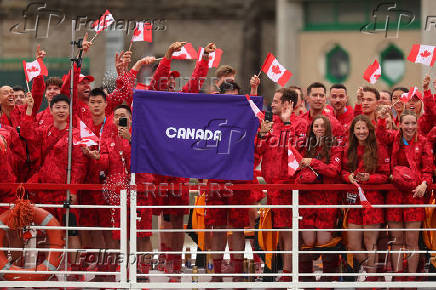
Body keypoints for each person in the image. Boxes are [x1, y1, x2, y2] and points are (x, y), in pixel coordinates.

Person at [22, 94, 87, 276]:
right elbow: (27, 134)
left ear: (69, 111)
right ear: (50, 110)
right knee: (45, 234)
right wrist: (29, 109)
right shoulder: (43, 131)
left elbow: (79, 165)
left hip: (65, 192)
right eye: (57, 107)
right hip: (44, 192)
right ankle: (45, 273)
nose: (60, 110)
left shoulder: (76, 134)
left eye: (64, 107)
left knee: (71, 233)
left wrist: (72, 190)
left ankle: (75, 273)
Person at [93, 104, 154, 281]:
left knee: (143, 235)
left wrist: (131, 139)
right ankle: (125, 271)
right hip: (117, 194)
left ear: (130, 119)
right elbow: (105, 165)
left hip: (139, 190)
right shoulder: (107, 138)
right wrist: (98, 158)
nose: (119, 118)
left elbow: (146, 158)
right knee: (121, 235)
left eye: (123, 115)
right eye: (116, 115)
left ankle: (143, 272)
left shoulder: (141, 135)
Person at [377, 109, 433, 283]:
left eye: (413, 123)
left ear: (417, 124)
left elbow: (428, 169)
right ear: (400, 124)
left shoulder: (423, 141)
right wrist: (381, 118)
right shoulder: (393, 138)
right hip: (394, 194)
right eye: (406, 123)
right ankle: (398, 276)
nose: (410, 127)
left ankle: (410, 278)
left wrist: (425, 184)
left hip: (415, 195)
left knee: (411, 241)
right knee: (396, 240)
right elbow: (379, 134)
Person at [257, 88, 307, 280]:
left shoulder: (300, 123)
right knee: (278, 231)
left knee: (289, 232)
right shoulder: (270, 124)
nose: (273, 104)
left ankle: (289, 274)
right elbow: (260, 150)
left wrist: (287, 122)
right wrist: (262, 135)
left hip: (289, 187)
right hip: (273, 188)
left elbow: (294, 149)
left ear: (288, 104)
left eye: (277, 101)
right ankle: (280, 270)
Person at [341, 115, 390, 282]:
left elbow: (385, 175)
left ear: (369, 130)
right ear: (353, 131)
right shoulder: (349, 148)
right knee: (353, 243)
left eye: (364, 128)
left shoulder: (378, 148)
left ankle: (372, 276)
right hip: (354, 200)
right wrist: (348, 177)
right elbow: (342, 170)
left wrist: (370, 178)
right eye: (358, 129)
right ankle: (372, 271)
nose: (361, 132)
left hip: (373, 200)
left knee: (370, 240)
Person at [297, 115, 342, 285]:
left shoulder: (335, 147)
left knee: (324, 241)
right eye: (316, 126)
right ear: (312, 128)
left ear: (328, 128)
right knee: (308, 241)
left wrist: (313, 163)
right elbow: (295, 170)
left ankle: (328, 278)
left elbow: (333, 171)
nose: (319, 129)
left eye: (323, 126)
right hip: (307, 201)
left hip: (327, 200)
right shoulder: (305, 147)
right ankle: (306, 278)